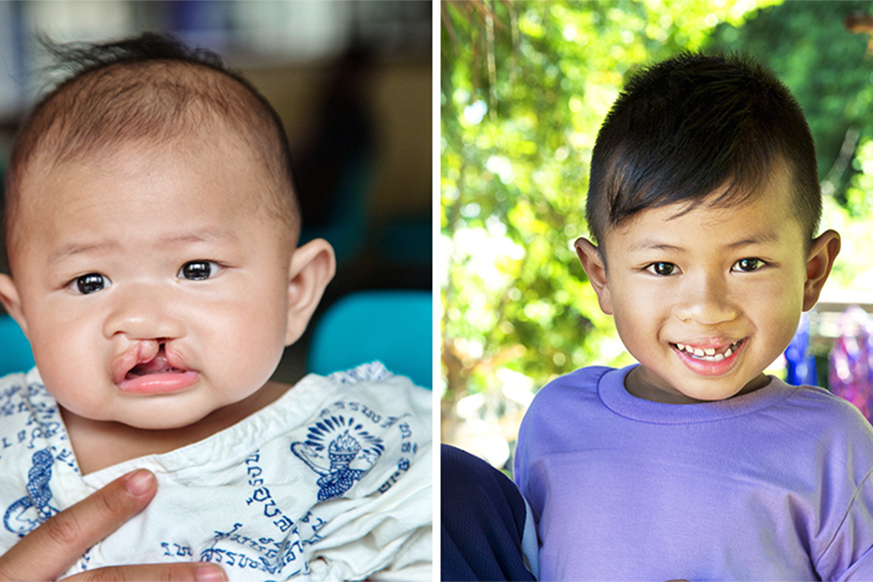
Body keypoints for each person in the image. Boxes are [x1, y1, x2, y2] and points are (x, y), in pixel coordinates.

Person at [0, 33, 431, 581]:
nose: (144, 321)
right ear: (25, 317)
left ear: (294, 290)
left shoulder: (374, 442)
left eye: (196, 270)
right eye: (89, 281)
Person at [513, 52, 873, 580]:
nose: (707, 307)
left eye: (748, 264)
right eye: (662, 266)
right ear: (601, 276)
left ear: (812, 272)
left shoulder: (833, 447)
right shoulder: (554, 422)